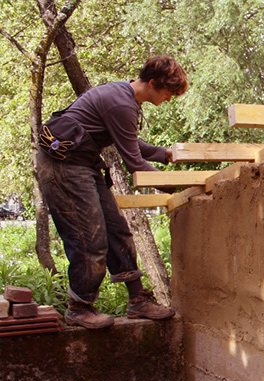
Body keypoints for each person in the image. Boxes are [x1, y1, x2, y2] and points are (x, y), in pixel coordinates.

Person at [36, 55, 188, 329]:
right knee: (88, 237)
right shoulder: (121, 103)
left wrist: (164, 155)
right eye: (168, 93)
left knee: (116, 228)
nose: (169, 99)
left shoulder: (125, 98)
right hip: (63, 166)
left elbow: (130, 142)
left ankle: (137, 300)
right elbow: (134, 163)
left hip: (84, 163)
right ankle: (79, 307)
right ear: (152, 83)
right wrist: (180, 184)